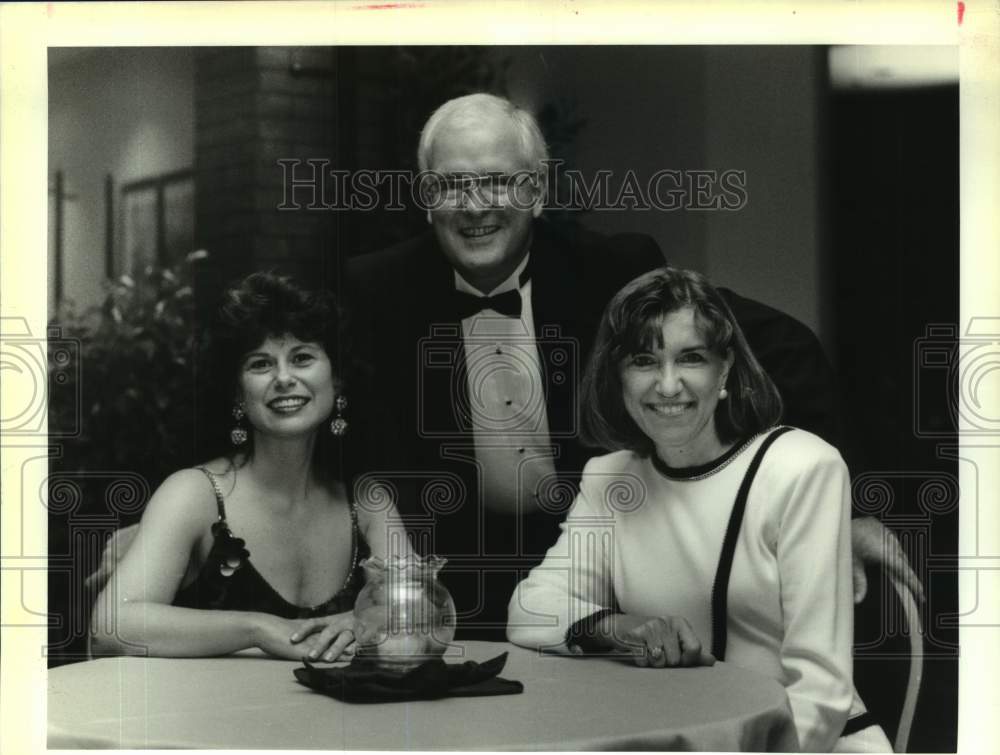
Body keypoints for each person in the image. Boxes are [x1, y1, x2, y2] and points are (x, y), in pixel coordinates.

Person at [345, 92, 921, 640]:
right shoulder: (375, 290)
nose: (475, 206)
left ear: (538, 190)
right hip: (445, 572)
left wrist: (850, 510)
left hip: (597, 557)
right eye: (452, 185)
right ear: (426, 195)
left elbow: (783, 347)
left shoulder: (610, 270)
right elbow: (348, 434)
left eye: (499, 180)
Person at [506, 266, 891, 752]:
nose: (668, 386)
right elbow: (528, 608)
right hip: (680, 752)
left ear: (725, 370)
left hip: (806, 754)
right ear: (617, 376)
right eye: (644, 360)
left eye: (691, 358)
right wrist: (615, 626)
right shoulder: (612, 478)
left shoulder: (801, 468)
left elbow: (822, 692)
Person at [91, 271, 410, 662]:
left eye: (302, 358)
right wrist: (257, 629)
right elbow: (109, 627)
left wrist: (366, 618)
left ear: (338, 380)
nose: (284, 378)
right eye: (260, 364)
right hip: (211, 721)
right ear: (238, 394)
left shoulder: (366, 503)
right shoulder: (195, 494)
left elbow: (423, 610)